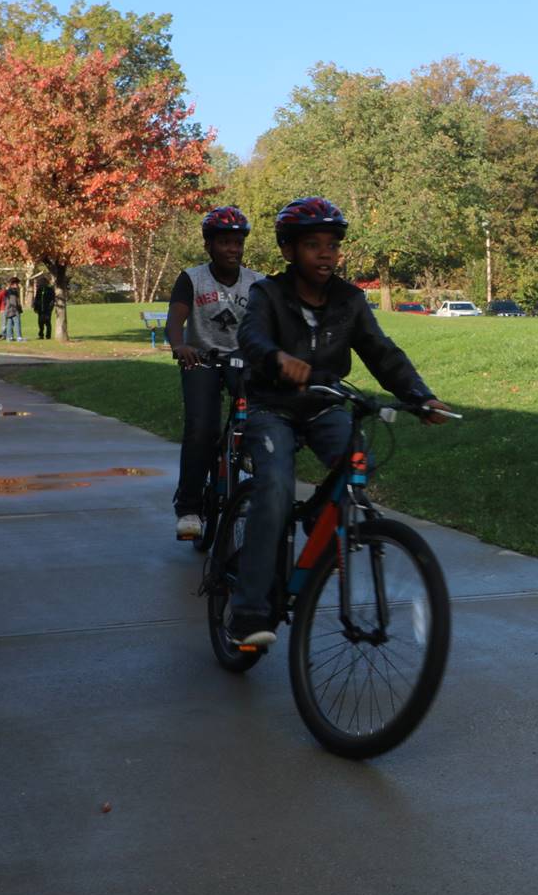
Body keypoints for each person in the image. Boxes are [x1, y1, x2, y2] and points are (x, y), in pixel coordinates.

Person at [231, 197, 450, 648]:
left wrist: (420, 396)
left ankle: (318, 519)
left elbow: (381, 352)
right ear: (289, 251)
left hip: (324, 405)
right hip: (272, 407)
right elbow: (250, 336)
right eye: (312, 245)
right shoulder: (267, 294)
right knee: (274, 489)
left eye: (332, 245)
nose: (326, 254)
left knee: (359, 463)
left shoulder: (350, 300)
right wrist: (277, 358)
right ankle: (248, 609)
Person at [166, 206, 264, 542]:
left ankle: (249, 451)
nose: (233, 249)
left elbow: (271, 325)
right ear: (208, 245)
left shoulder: (257, 283)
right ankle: (189, 508)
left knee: (261, 413)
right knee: (201, 429)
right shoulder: (192, 278)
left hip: (243, 360)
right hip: (201, 360)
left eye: (238, 243)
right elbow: (175, 321)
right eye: (224, 242)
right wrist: (180, 346)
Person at [32, 276, 55, 340]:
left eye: (40, 282)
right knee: (40, 323)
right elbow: (36, 299)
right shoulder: (39, 290)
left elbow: (53, 299)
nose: (39, 284)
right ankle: (41, 335)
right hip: (40, 310)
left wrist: (50, 307)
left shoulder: (50, 289)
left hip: (47, 310)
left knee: (47, 322)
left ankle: (48, 336)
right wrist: (35, 308)